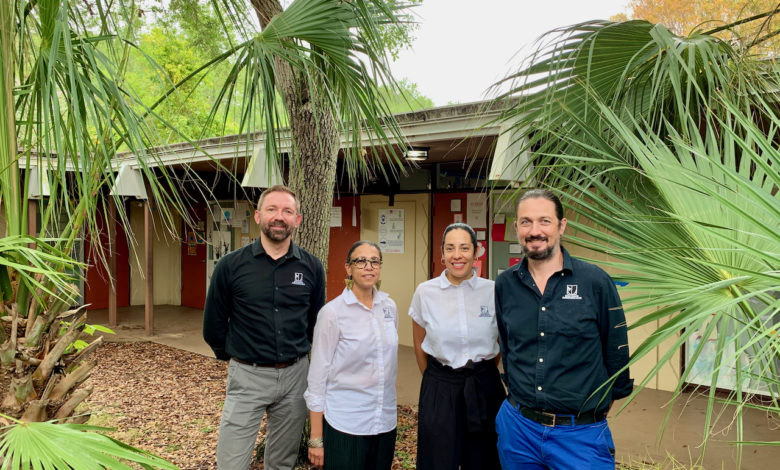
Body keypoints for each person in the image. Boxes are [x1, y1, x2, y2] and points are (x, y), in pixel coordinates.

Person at [494, 189, 633, 469]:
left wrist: (603, 402)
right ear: (516, 228)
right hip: (518, 430)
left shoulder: (594, 281)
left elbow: (616, 348)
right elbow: (508, 346)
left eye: (544, 221)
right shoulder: (505, 284)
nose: (535, 231)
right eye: (526, 222)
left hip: (580, 435)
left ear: (562, 226)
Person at [203, 185, 326, 470]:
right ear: (258, 216)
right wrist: (234, 356)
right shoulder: (231, 266)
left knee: (281, 463)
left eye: (287, 211)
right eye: (271, 209)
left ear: (298, 219)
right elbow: (213, 325)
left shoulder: (311, 267)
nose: (278, 217)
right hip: (247, 376)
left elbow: (316, 324)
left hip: (295, 378)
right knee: (231, 463)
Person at [409, 223, 505, 470]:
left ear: (476, 252)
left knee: (485, 459)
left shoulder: (493, 290)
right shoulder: (425, 292)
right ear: (442, 254)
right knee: (438, 460)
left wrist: (479, 370)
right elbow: (419, 343)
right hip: (441, 387)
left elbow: (500, 341)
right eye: (450, 248)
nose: (457, 255)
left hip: (484, 386)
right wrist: (438, 379)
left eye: (464, 248)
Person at [305, 241, 398, 470]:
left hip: (383, 421)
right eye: (361, 261)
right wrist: (316, 439)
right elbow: (317, 378)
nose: (369, 267)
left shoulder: (389, 307)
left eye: (374, 261)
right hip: (346, 424)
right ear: (348, 268)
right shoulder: (332, 314)